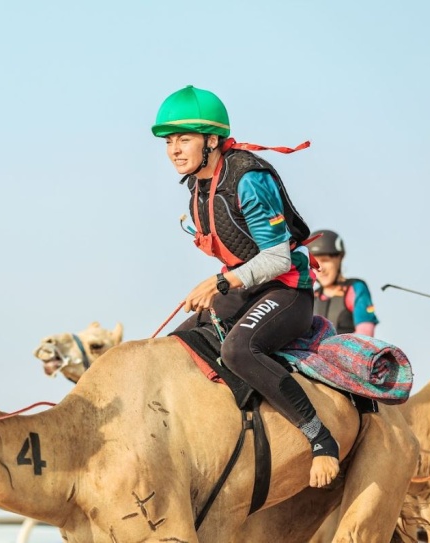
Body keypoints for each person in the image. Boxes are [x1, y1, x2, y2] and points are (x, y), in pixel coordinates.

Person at [152, 85, 339, 488]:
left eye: (184, 139)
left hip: (288, 291)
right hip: (247, 289)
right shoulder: (197, 186)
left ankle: (320, 440)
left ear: (211, 140)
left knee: (237, 350)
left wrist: (218, 282)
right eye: (168, 141)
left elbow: (278, 259)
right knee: (174, 346)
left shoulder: (248, 180)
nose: (174, 150)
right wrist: (222, 284)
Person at [308, 229, 379, 335]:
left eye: (325, 260)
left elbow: (365, 333)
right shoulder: (312, 296)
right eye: (314, 264)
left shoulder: (355, 288)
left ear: (340, 258)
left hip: (350, 346)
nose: (320, 269)